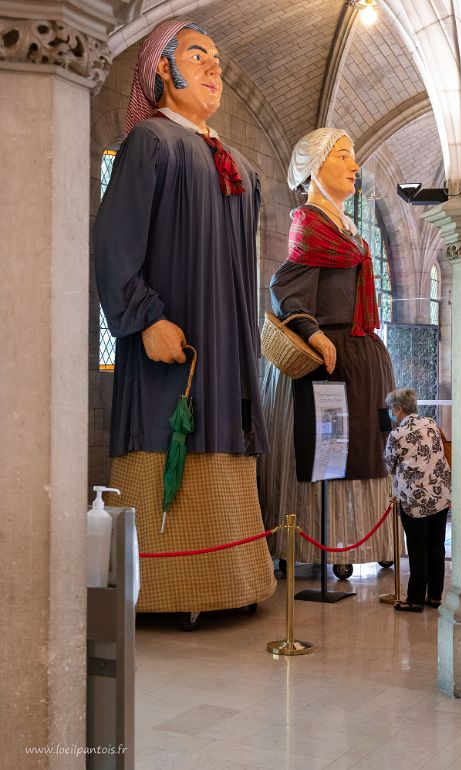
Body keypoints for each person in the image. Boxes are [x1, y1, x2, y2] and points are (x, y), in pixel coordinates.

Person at [94, 19, 276, 616]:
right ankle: (171, 591)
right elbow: (115, 242)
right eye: (198, 56)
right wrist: (144, 318)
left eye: (217, 58)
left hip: (227, 350)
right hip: (171, 350)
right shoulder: (151, 142)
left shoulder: (240, 166)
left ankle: (231, 583)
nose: (214, 68)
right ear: (160, 71)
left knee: (224, 437)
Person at [260, 128, 395, 568]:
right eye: (342, 156)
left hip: (358, 354)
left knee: (363, 447)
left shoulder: (347, 227)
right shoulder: (310, 222)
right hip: (329, 357)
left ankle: (352, 542)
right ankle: (315, 542)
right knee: (327, 451)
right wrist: (312, 332)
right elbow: (285, 283)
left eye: (352, 157)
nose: (354, 166)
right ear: (316, 168)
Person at [384, 388, 451, 612]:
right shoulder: (431, 423)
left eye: (392, 408)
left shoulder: (396, 435)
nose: (391, 412)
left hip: (414, 501)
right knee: (436, 546)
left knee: (417, 548)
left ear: (399, 408)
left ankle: (414, 599)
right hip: (440, 495)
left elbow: (388, 464)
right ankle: (434, 596)